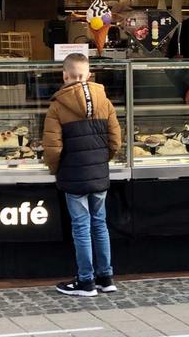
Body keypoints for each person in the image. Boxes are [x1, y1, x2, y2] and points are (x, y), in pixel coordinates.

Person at [43, 53, 122, 296]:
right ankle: (106, 278)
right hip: (99, 173)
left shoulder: (57, 105)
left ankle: (86, 281)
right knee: (100, 225)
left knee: (81, 226)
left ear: (65, 75)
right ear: (89, 75)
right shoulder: (104, 101)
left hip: (73, 175)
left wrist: (57, 170)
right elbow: (116, 141)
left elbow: (53, 148)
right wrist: (100, 161)